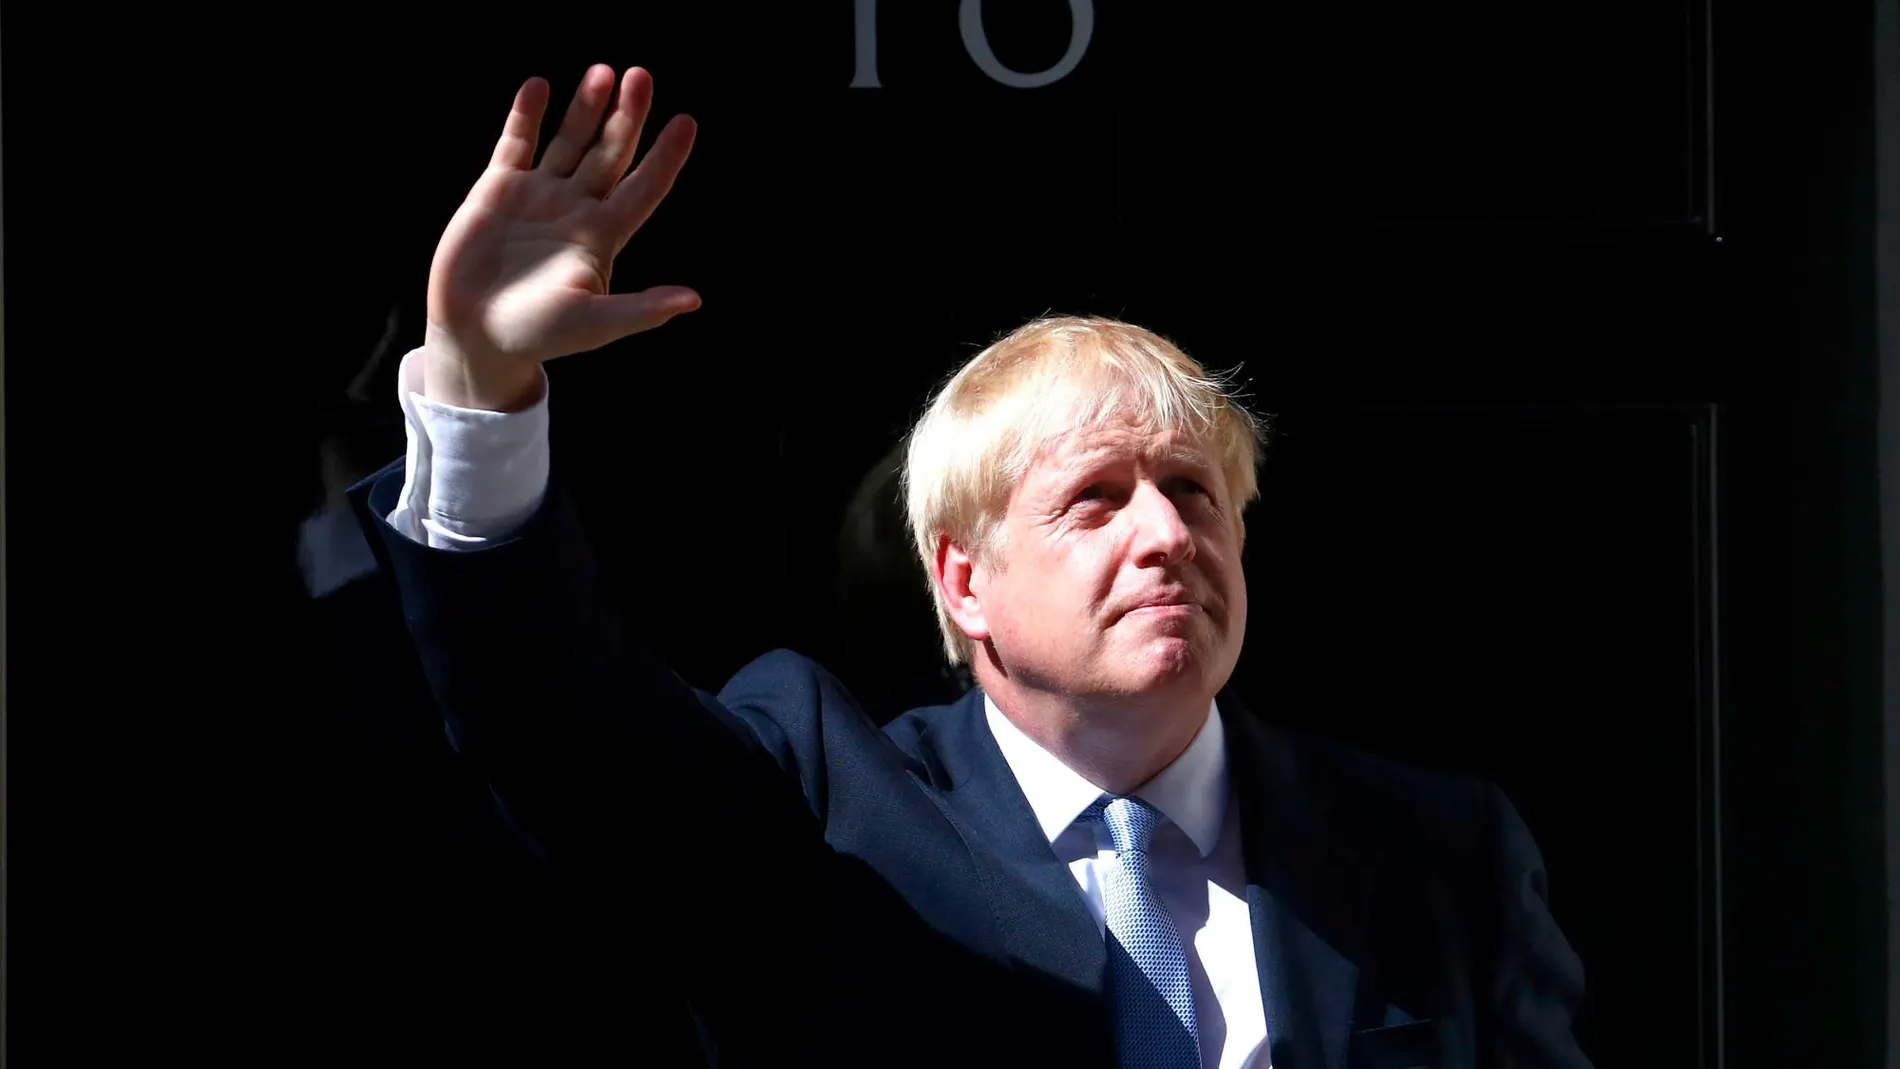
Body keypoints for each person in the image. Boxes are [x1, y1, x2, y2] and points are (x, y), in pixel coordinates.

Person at [347, 63, 1593, 1068]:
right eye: (1094, 502)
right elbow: (567, 736)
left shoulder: (1438, 850)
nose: (1164, 536)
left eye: (1193, 494)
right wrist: (480, 389)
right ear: (961, 583)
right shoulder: (824, 798)